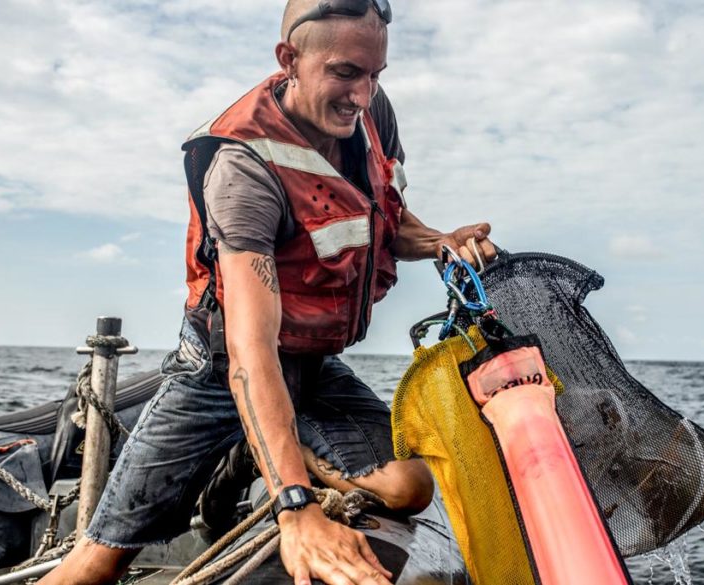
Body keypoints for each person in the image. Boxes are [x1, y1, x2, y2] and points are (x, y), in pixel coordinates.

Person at [41, 1, 496, 584]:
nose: (363, 94)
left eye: (376, 74)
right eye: (345, 73)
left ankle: (277, 453)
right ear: (289, 60)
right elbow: (252, 351)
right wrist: (295, 508)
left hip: (312, 365)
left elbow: (381, 218)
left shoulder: (372, 114)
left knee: (412, 487)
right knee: (96, 562)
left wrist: (441, 242)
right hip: (223, 367)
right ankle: (266, 459)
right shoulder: (243, 168)